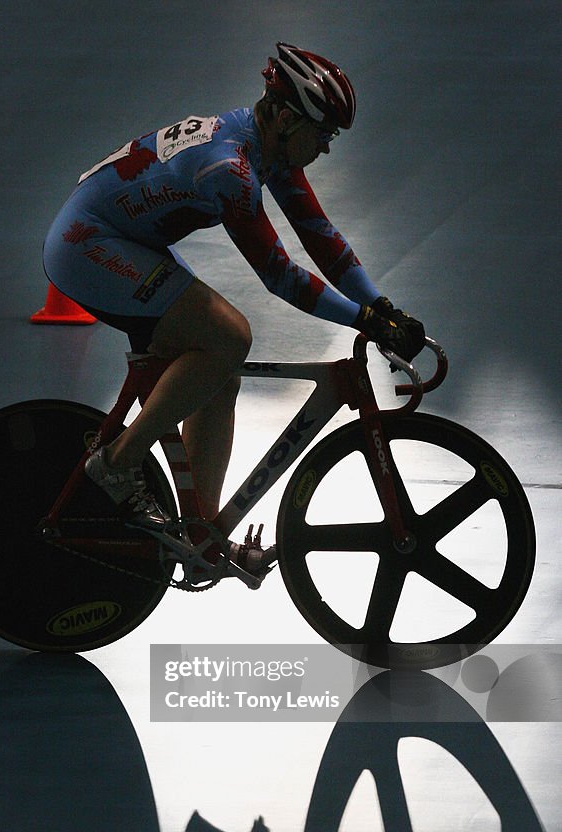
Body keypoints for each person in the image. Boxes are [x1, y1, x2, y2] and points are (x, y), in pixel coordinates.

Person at [42, 42, 426, 542]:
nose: (328, 145)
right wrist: (361, 321)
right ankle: (118, 463)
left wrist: (379, 306)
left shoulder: (266, 147)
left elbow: (321, 236)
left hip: (125, 239)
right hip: (87, 246)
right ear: (288, 120)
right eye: (325, 132)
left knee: (217, 372)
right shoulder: (229, 170)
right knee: (229, 336)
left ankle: (199, 532)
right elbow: (279, 274)